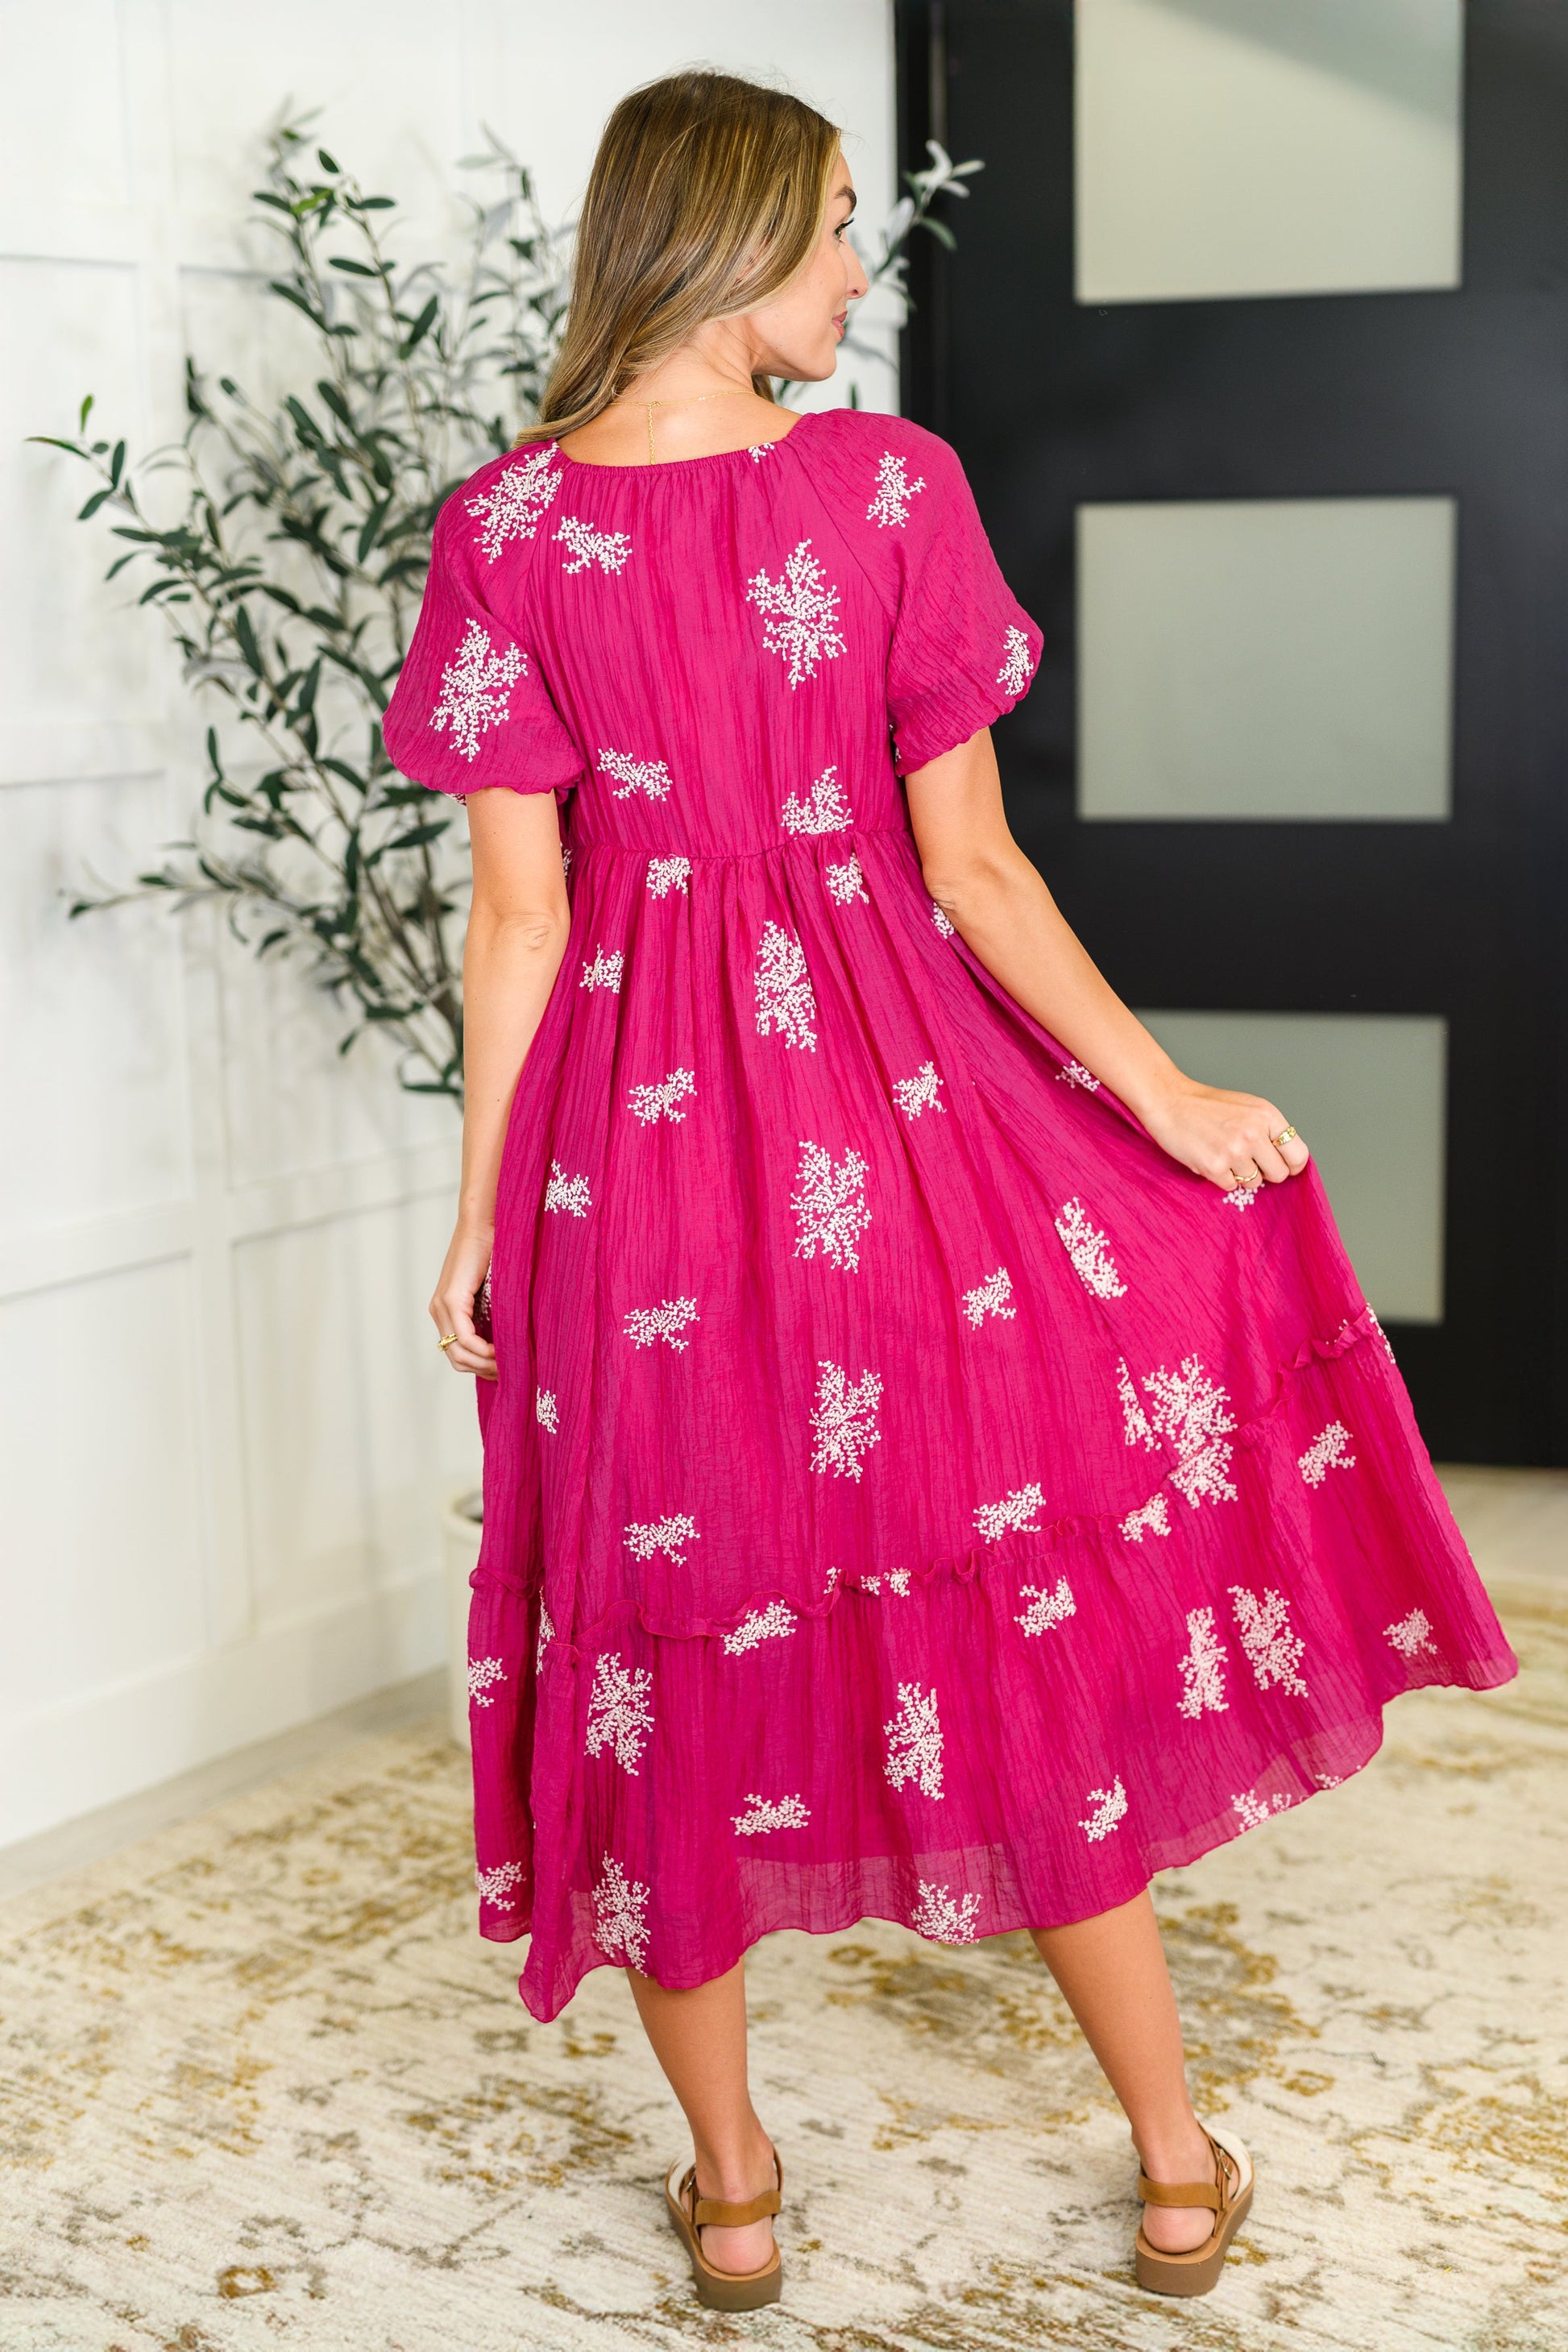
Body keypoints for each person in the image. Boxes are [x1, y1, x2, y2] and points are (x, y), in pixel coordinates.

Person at [381, 68, 1516, 2310]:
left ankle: (732, 2195)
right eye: (829, 228)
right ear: (725, 245)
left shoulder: (503, 526)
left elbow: (518, 919)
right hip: (898, 1122)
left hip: (635, 1164)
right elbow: (971, 868)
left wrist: (483, 1212)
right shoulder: (885, 487)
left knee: (658, 1642)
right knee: (1004, 1604)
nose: (852, 271)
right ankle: (1173, 2164)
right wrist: (1157, 1095)